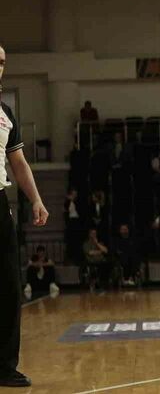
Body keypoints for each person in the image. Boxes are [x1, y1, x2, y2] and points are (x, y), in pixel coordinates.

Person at [0, 45, 50, 388]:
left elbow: (18, 163)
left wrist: (35, 199)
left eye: (1, 61)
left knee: (7, 286)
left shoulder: (5, 113)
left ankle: (4, 366)